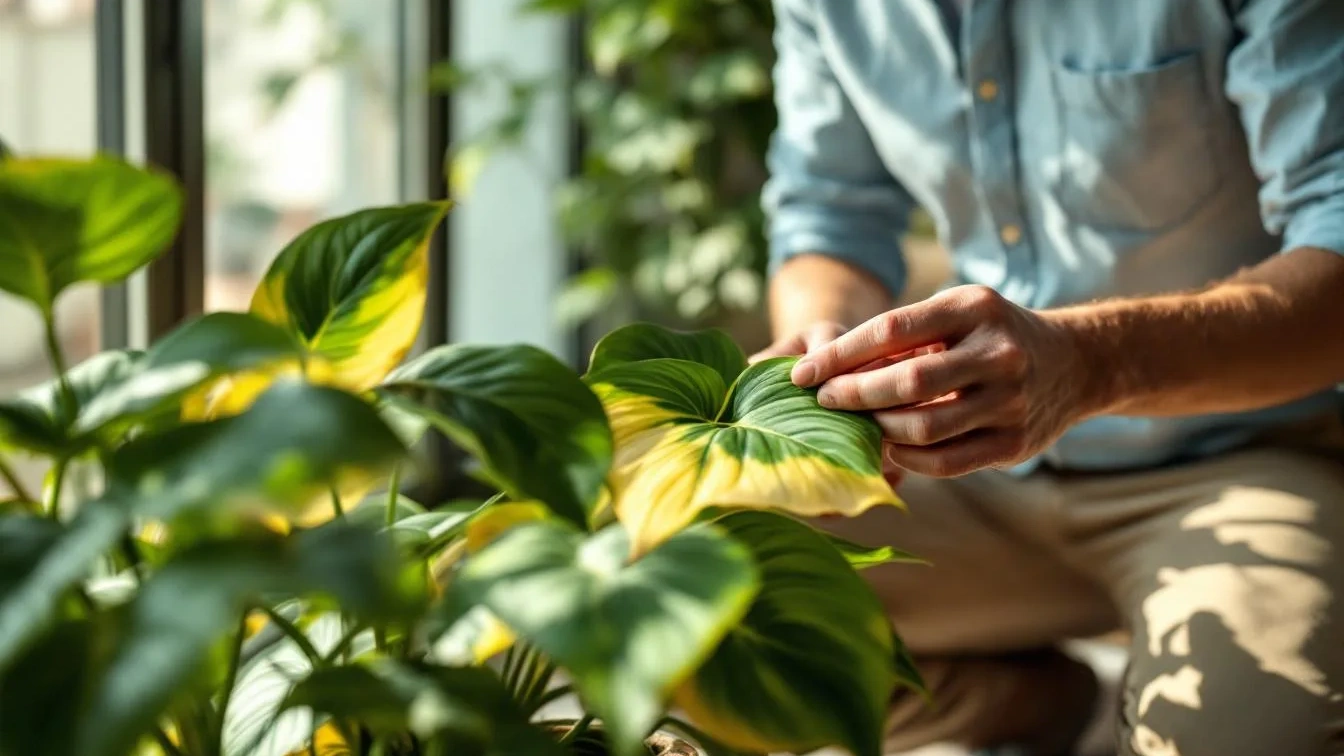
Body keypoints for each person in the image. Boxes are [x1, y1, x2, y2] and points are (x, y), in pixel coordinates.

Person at [748, 1, 1344, 755]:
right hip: (968, 469)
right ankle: (1029, 707)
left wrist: (1093, 364)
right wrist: (819, 348)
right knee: (680, 607)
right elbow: (828, 220)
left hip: (1246, 458)